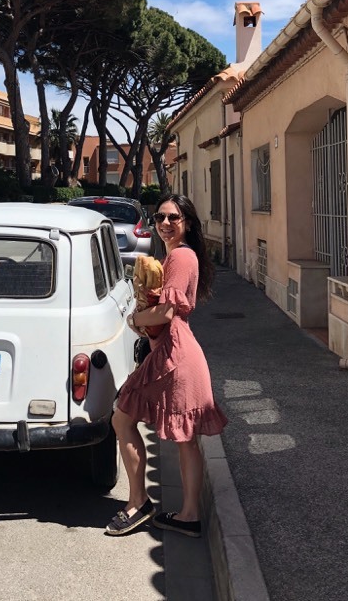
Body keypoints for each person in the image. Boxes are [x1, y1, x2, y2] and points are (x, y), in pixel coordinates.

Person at [106, 193, 228, 539]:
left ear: (187, 222)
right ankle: (187, 515)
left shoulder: (181, 256)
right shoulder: (174, 256)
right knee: (185, 438)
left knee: (123, 416)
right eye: (159, 217)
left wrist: (134, 319)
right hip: (176, 352)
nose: (165, 224)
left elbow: (167, 312)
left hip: (173, 356)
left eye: (174, 218)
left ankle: (138, 503)